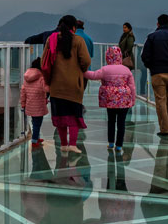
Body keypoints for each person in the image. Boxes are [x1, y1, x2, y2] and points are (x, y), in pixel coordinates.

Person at [41, 14, 91, 154]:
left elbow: (44, 64)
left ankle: (63, 145)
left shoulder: (52, 39)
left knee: (61, 116)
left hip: (56, 85)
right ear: (74, 27)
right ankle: (73, 145)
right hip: (74, 85)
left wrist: (48, 80)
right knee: (74, 116)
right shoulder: (78, 40)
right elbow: (86, 60)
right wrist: (81, 70)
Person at [84, 46, 136, 153]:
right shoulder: (126, 70)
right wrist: (133, 100)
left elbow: (93, 75)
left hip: (110, 100)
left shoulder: (105, 69)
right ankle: (119, 145)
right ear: (120, 56)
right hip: (124, 100)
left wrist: (82, 71)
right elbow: (132, 87)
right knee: (121, 123)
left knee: (111, 121)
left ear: (108, 56)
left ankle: (111, 142)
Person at [21, 58, 50, 148]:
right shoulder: (41, 78)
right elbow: (46, 89)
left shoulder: (26, 77)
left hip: (30, 105)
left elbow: (23, 91)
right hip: (39, 105)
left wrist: (23, 103)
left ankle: (36, 137)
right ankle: (34, 140)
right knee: (37, 123)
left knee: (34, 122)